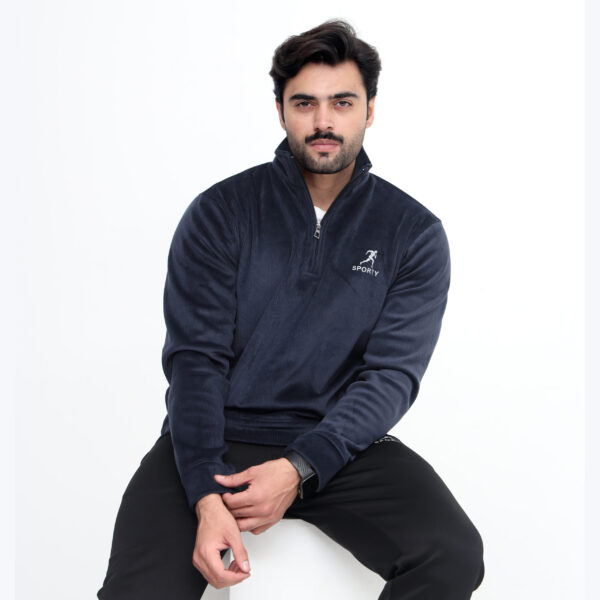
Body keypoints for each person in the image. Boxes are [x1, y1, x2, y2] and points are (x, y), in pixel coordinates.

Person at [98, 20, 485, 599]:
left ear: (370, 112)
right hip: (218, 435)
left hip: (340, 447)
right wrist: (205, 494)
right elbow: (195, 363)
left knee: (451, 554)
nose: (323, 121)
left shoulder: (413, 233)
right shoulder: (221, 212)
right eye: (305, 103)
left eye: (342, 102)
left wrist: (300, 467)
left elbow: (391, 377)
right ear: (280, 111)